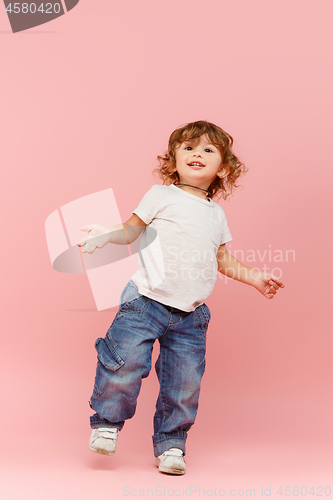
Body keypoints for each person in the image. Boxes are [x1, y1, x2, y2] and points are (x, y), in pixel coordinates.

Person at [77, 120, 285, 475]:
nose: (197, 154)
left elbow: (220, 259)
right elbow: (132, 230)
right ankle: (107, 423)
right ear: (172, 161)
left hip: (191, 314)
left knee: (184, 383)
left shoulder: (216, 214)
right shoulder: (161, 195)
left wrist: (254, 277)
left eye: (207, 150)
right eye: (188, 148)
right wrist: (107, 233)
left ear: (224, 169)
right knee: (124, 363)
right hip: (145, 301)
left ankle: (171, 444)